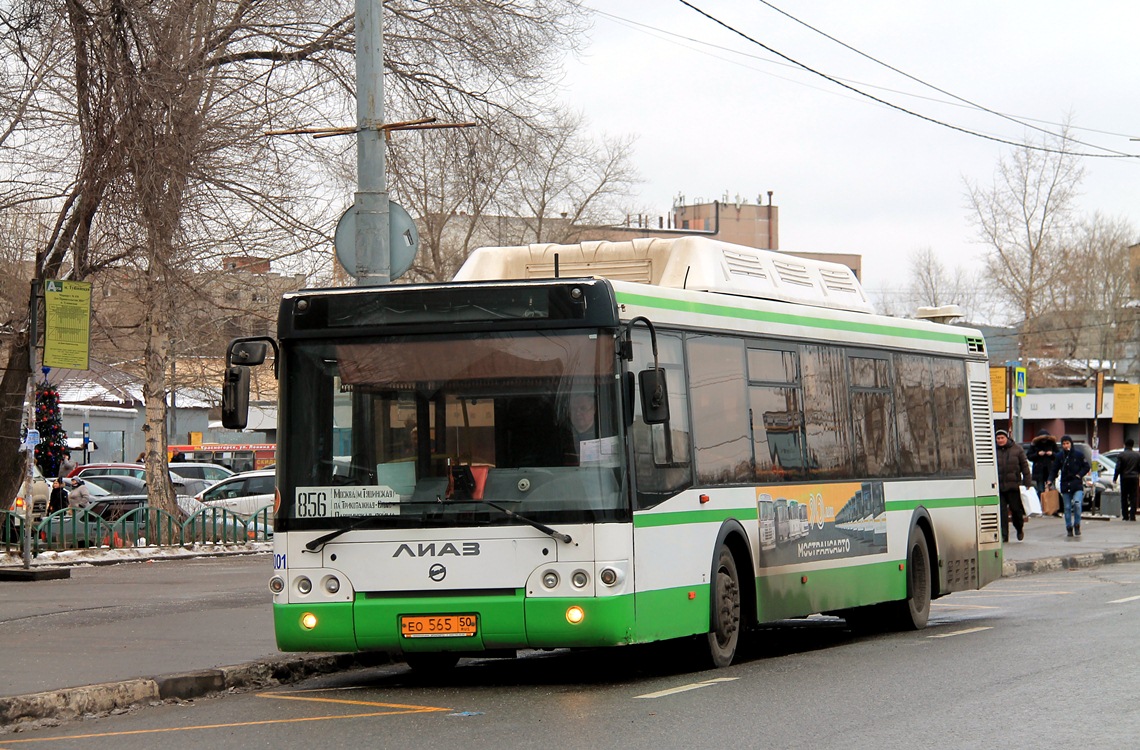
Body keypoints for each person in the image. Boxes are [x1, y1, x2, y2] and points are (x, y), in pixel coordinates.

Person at [1049, 435, 1089, 537]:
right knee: (1067, 507)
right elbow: (1054, 469)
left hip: (1077, 484)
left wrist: (1079, 475)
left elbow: (1086, 466)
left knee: (1077, 503)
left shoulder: (1078, 455)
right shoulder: (1060, 456)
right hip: (1065, 484)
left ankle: (1077, 524)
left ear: (1071, 443)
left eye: (1067, 443)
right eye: (1064, 444)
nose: (1066, 446)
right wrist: (1050, 480)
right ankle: (1068, 527)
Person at [995, 429, 1031, 542]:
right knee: (1002, 512)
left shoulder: (1017, 449)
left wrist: (1027, 482)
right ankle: (1004, 535)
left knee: (1016, 510)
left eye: (1002, 438)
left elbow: (1025, 466)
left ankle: (1019, 528)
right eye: (998, 438)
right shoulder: (993, 451)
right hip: (999, 486)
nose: (1000, 440)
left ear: (1007, 438)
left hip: (1013, 486)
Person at [1112, 438, 1140, 522]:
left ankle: (1125, 515)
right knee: (1133, 496)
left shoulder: (1121, 455)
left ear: (1125, 444)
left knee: (1124, 496)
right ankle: (1132, 515)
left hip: (1124, 478)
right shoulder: (1137, 455)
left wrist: (1115, 478)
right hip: (1134, 478)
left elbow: (1118, 468)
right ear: (1132, 445)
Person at [1026, 429, 1058, 495]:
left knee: (1051, 489)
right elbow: (1029, 456)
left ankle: (1051, 504)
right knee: (1040, 490)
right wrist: (1037, 454)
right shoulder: (1034, 445)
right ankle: (1042, 503)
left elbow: (1058, 455)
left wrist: (1052, 454)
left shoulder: (1052, 444)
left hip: (1050, 470)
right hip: (1039, 471)